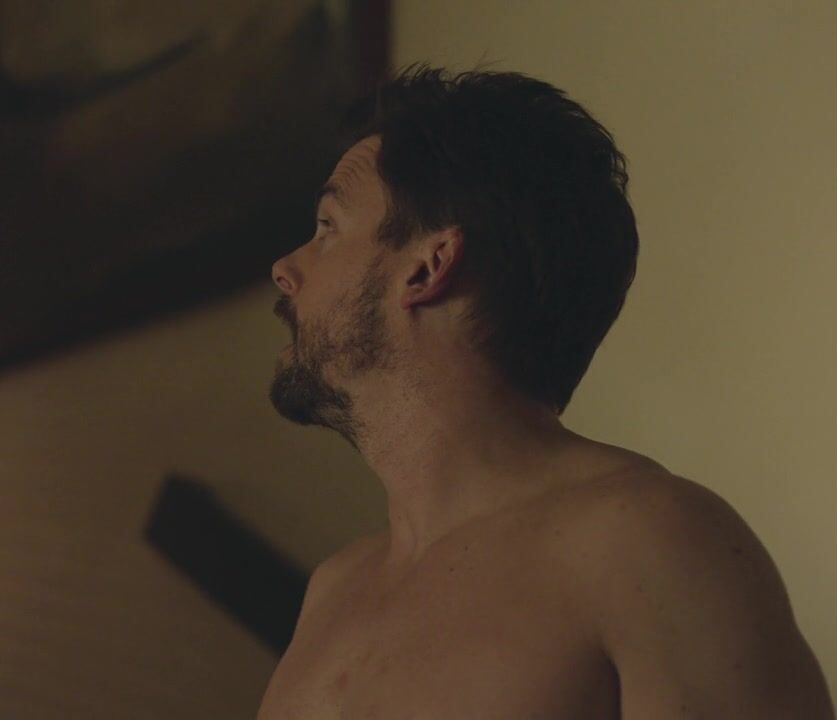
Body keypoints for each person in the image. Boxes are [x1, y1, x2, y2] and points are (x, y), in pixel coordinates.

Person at [258, 64, 834, 719]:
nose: (284, 268)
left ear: (427, 265)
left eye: (327, 227)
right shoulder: (333, 589)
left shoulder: (648, 543)